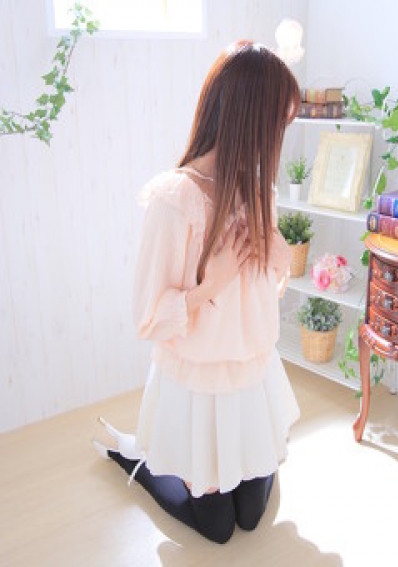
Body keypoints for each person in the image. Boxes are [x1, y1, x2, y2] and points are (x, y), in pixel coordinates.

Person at [93, 40, 301, 544]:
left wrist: (274, 246)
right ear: (250, 119)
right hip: (197, 382)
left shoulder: (258, 191)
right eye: (279, 124)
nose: (280, 138)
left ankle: (238, 458)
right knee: (219, 529)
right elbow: (149, 316)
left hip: (250, 373)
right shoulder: (175, 200)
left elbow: (272, 284)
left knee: (250, 515)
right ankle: (135, 457)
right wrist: (211, 285)